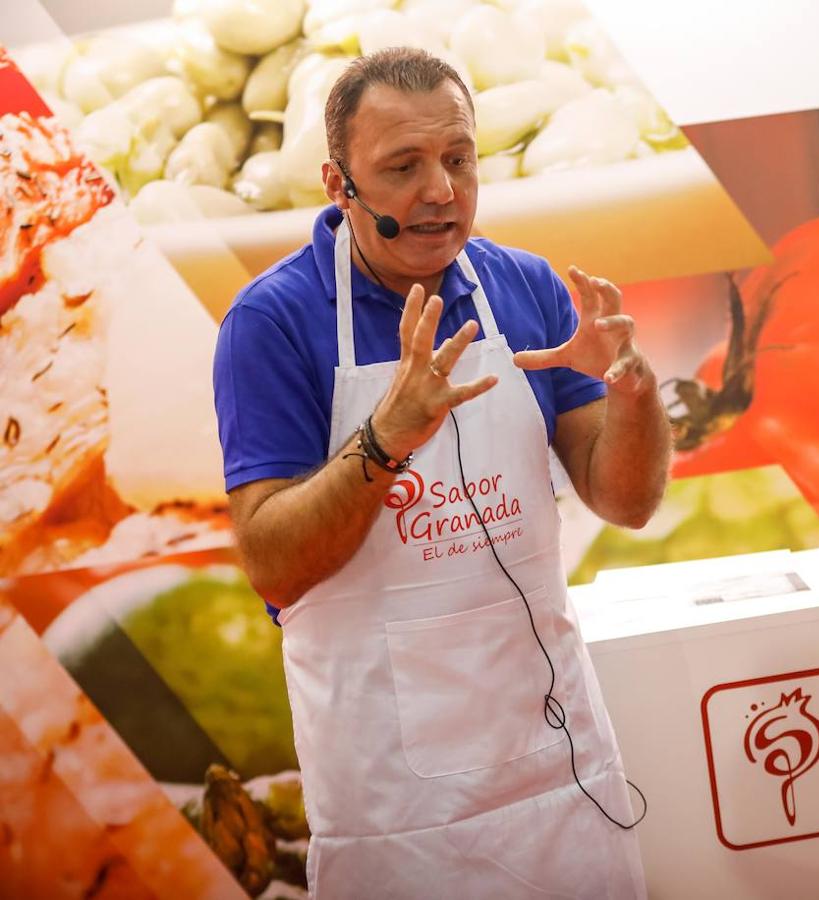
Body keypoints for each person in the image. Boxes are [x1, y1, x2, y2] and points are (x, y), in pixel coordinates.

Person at [212, 47, 669, 898]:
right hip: (397, 812)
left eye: (458, 159)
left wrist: (636, 393)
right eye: (403, 167)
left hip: (562, 777)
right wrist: (385, 439)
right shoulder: (270, 323)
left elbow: (626, 498)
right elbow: (273, 563)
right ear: (338, 186)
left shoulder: (525, 286)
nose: (441, 190)